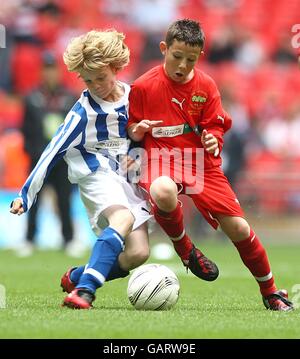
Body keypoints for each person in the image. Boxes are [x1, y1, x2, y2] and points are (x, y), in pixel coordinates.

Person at [127, 19, 294, 311]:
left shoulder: (205, 85)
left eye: (190, 60)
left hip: (199, 162)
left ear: (200, 56)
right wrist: (137, 130)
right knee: (163, 190)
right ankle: (185, 249)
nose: (182, 65)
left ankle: (271, 292)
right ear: (164, 49)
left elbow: (215, 125)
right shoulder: (142, 86)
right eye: (176, 56)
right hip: (159, 157)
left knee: (240, 229)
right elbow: (130, 130)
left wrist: (214, 139)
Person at [10, 29, 151, 309]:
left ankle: (77, 275)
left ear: (116, 68)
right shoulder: (82, 112)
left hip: (128, 178)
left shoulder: (136, 96)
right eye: (88, 80)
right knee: (121, 220)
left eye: (101, 77)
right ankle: (84, 291)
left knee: (138, 253)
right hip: (95, 175)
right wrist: (26, 195)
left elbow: (148, 137)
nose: (96, 85)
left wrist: (142, 157)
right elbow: (51, 152)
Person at [17, 50, 78, 257]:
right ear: (42, 72)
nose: (50, 74)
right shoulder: (32, 98)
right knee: (33, 200)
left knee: (64, 200)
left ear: (59, 72)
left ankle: (69, 239)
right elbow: (25, 129)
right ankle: (29, 239)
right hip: (38, 159)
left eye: (53, 70)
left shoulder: (69, 98)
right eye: (47, 70)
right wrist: (33, 153)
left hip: (61, 160)